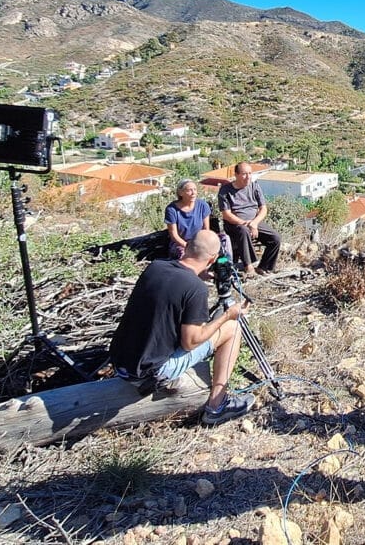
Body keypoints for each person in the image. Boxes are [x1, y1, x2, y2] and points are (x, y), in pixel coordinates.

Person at [108, 229, 256, 424]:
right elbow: (190, 342)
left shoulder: (156, 267)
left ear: (185, 247)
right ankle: (217, 406)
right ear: (212, 260)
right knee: (233, 328)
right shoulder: (195, 288)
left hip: (121, 362)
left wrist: (196, 277)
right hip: (150, 373)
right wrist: (228, 315)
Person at [218, 162, 281, 275]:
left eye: (250, 173)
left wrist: (255, 223)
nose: (248, 177)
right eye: (244, 174)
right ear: (236, 175)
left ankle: (264, 267)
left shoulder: (254, 186)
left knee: (275, 238)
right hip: (235, 223)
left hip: (254, 222)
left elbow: (263, 208)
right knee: (243, 231)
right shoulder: (225, 190)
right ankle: (249, 266)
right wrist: (244, 223)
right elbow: (226, 214)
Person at [165, 179, 211, 260]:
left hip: (199, 241)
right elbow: (174, 236)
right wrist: (188, 246)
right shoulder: (172, 209)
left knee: (224, 241)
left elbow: (206, 229)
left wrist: (203, 244)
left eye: (195, 189)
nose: (193, 193)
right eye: (189, 190)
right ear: (181, 193)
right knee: (187, 258)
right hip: (180, 244)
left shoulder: (203, 205)